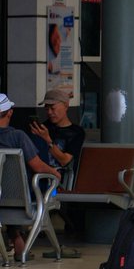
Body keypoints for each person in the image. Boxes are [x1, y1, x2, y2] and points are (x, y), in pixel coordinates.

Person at [0, 93, 60, 258]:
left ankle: (16, 239)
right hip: (21, 199)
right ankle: (21, 246)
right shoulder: (18, 136)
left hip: (1, 197)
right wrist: (54, 172)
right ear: (10, 112)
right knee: (39, 182)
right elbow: (38, 166)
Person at [29, 86, 85, 175]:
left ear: (66, 106)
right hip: (39, 174)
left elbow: (65, 160)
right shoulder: (43, 128)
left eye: (53, 108)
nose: (50, 112)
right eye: (47, 109)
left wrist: (48, 141)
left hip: (59, 177)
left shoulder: (76, 132)